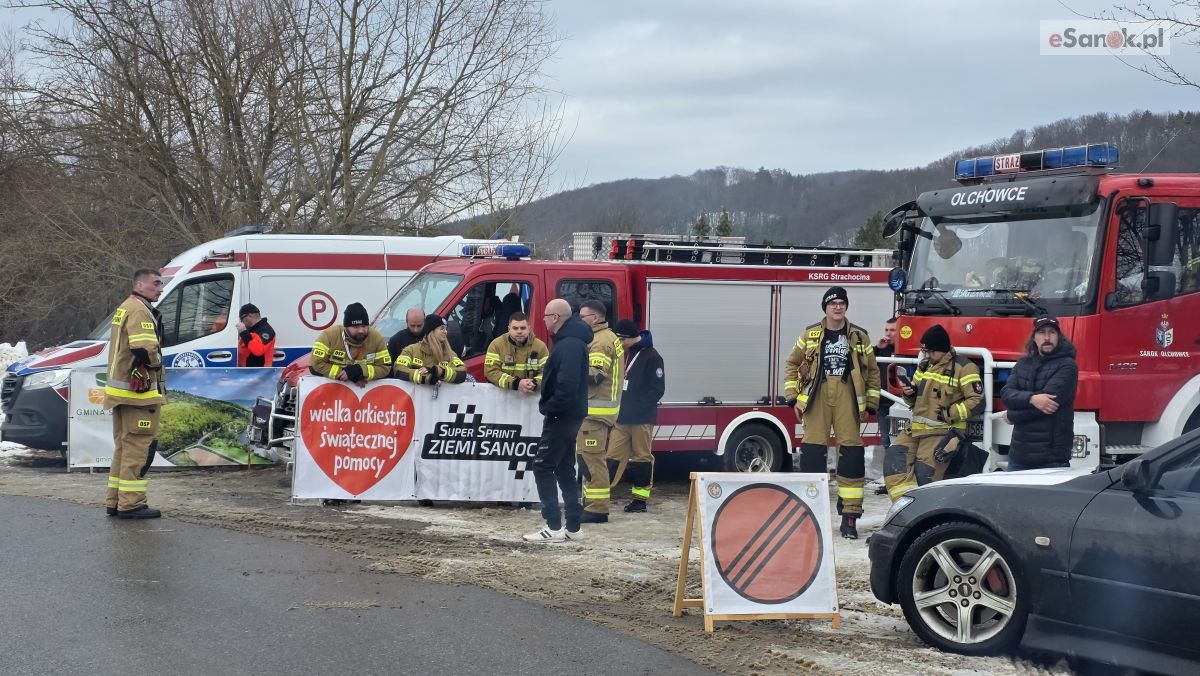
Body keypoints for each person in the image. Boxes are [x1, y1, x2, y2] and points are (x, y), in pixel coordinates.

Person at [784, 286, 880, 540]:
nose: (837, 307)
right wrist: (793, 398)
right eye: (832, 303)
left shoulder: (859, 336)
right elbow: (792, 363)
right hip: (817, 396)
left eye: (841, 303)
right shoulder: (811, 334)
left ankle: (849, 517)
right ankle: (810, 513)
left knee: (851, 452)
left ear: (846, 306)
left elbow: (872, 371)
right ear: (825, 308)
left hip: (847, 395)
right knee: (813, 452)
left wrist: (871, 403)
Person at [883, 324, 983, 501]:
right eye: (925, 351)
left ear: (943, 349)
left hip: (943, 431)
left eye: (930, 352)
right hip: (916, 429)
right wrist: (909, 393)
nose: (927, 355)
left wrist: (949, 413)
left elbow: (977, 400)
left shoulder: (965, 368)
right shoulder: (925, 365)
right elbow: (914, 400)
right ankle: (904, 508)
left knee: (925, 476)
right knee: (894, 462)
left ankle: (920, 509)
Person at [523, 298, 590, 543]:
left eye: (544, 315)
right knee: (563, 467)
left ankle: (552, 525)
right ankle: (573, 526)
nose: (542, 320)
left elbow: (567, 385)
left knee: (542, 466)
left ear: (555, 318)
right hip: (568, 414)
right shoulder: (570, 341)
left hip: (562, 414)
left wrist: (551, 407)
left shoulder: (569, 344)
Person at [103, 268, 167, 519]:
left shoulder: (126, 307)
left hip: (122, 393)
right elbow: (144, 348)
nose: (160, 288)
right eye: (156, 283)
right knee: (138, 450)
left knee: (123, 448)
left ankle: (115, 501)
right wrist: (157, 363)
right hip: (138, 396)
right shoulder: (139, 310)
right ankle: (132, 504)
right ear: (139, 285)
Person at [1001, 316, 1078, 471]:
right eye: (1042, 332)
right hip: (1018, 455)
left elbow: (1047, 406)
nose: (1047, 338)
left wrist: (1011, 415)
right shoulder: (1022, 364)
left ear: (1059, 337)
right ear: (1034, 338)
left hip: (1051, 458)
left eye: (1052, 332)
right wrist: (1032, 398)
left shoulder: (1067, 366)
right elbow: (1007, 394)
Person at [606, 319, 665, 514]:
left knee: (642, 458)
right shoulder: (623, 353)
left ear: (629, 338)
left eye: (620, 340)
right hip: (622, 417)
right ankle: (600, 495)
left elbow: (657, 390)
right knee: (612, 456)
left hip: (641, 418)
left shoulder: (652, 357)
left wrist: (637, 407)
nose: (619, 344)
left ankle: (640, 500)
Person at [576, 299, 624, 524]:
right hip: (596, 412)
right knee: (588, 459)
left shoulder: (600, 341)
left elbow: (595, 375)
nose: (579, 320)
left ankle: (597, 508)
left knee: (592, 460)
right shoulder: (604, 337)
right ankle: (592, 503)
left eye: (582, 317)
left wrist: (569, 368)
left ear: (594, 318)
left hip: (595, 412)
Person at [310, 302, 392, 387]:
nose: (361, 330)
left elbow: (385, 367)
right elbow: (316, 364)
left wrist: (361, 371)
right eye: (356, 327)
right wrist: (342, 373)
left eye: (364, 326)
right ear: (346, 327)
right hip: (333, 390)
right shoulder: (329, 336)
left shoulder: (376, 338)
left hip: (364, 391)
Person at [484, 312, 548, 394]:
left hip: (531, 398)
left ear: (529, 328)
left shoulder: (540, 347)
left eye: (523, 328)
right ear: (509, 329)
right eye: (515, 328)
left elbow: (547, 372)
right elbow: (490, 372)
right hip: (504, 398)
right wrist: (516, 383)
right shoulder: (496, 345)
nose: (519, 331)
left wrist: (534, 383)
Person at [393, 314, 467, 385]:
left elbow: (462, 373)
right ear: (431, 331)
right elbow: (399, 369)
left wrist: (440, 371)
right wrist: (425, 378)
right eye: (442, 329)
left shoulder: (450, 354)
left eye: (446, 329)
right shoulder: (411, 350)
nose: (445, 331)